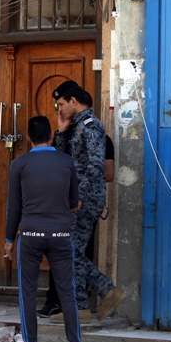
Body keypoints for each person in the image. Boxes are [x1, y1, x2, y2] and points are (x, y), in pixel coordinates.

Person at [4, 116, 89, 342]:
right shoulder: (66, 162)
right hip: (61, 235)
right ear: (51, 136)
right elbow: (74, 202)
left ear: (29, 138)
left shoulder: (19, 164)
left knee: (28, 292)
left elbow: (14, 207)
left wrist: (9, 239)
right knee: (67, 292)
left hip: (30, 236)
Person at [49, 81, 125, 325]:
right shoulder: (77, 127)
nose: (58, 109)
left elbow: (95, 165)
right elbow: (64, 160)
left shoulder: (91, 127)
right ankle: (80, 308)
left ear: (73, 101)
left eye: (60, 104)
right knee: (72, 252)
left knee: (68, 251)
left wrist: (78, 195)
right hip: (78, 197)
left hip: (85, 199)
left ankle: (106, 290)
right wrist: (61, 132)